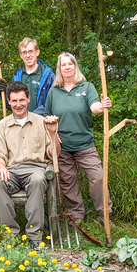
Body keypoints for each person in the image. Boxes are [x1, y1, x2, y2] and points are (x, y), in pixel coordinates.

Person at [44, 52, 113, 225]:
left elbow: (94, 106)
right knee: (68, 181)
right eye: (63, 65)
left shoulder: (86, 87)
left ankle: (105, 214)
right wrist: (53, 134)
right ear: (59, 69)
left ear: (75, 66)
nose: (67, 67)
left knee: (98, 177)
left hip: (85, 145)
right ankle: (76, 215)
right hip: (62, 147)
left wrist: (102, 106)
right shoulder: (53, 92)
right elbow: (46, 117)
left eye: (70, 64)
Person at [0, 81, 60, 250]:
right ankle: (9, 234)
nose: (18, 104)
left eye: (22, 100)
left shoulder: (41, 121)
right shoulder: (2, 125)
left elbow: (54, 154)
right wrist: (1, 167)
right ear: (8, 101)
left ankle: (34, 236)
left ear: (28, 99)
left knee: (37, 180)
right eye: (14, 101)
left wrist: (53, 133)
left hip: (36, 169)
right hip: (11, 170)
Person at [12, 38, 55, 115]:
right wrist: (4, 93)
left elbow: (52, 102)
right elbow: (12, 103)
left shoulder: (49, 76)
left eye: (30, 51)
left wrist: (32, 116)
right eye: (24, 52)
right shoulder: (17, 76)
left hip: (41, 122)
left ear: (37, 52)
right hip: (21, 121)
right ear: (21, 55)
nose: (28, 55)